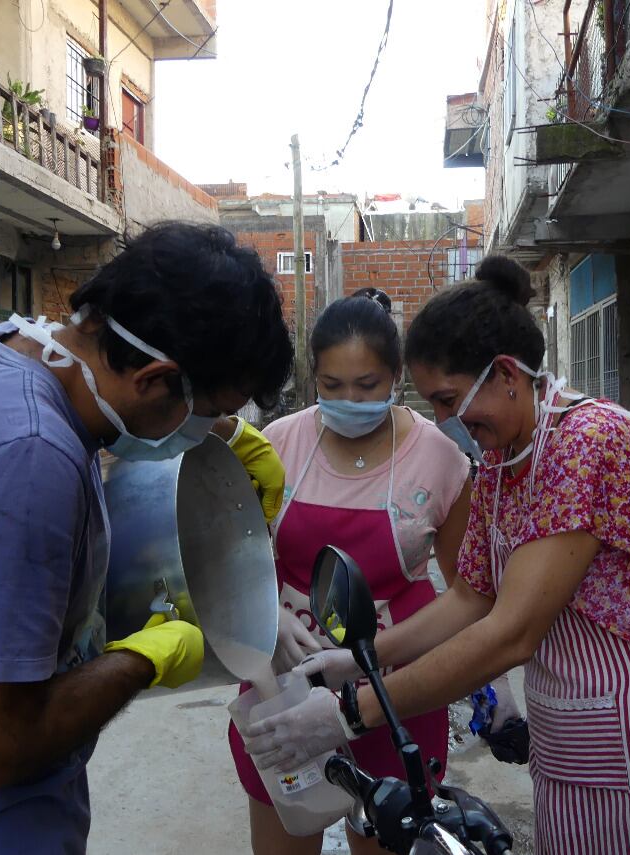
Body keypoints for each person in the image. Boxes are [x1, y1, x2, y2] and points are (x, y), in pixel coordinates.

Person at [245, 257, 630, 855]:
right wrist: (360, 660)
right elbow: (471, 596)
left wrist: (351, 711)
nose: (444, 421)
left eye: (448, 400)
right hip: (574, 744)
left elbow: (511, 633)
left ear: (504, 374)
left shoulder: (586, 446)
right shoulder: (503, 462)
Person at [0, 222, 293, 854]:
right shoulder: (29, 455)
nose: (206, 432)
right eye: (208, 416)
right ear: (155, 378)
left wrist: (224, 443)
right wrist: (143, 660)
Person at [230, 288, 472, 855]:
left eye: (367, 386)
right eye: (332, 386)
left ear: (396, 377)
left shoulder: (440, 458)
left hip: (394, 686)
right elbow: (235, 555)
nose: (350, 400)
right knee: (286, 830)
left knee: (387, 832)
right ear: (313, 377)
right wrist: (264, 613)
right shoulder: (278, 444)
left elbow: (467, 591)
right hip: (283, 676)